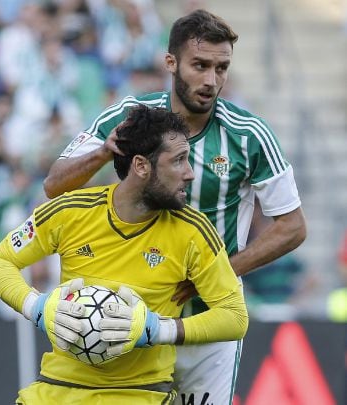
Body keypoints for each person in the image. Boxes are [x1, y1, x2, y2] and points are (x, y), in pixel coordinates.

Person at [43, 9, 306, 405]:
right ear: (171, 63)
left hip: (209, 318)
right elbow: (54, 184)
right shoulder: (132, 117)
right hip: (132, 311)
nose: (211, 80)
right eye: (200, 65)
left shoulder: (250, 134)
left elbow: (293, 226)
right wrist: (101, 154)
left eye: (221, 68)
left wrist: (218, 272)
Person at [0, 105, 248, 404]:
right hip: (56, 389)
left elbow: (235, 317)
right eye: (179, 161)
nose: (189, 174)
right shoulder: (71, 211)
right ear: (141, 166)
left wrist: (157, 329)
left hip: (139, 394)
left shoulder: (194, 231)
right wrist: (38, 308)